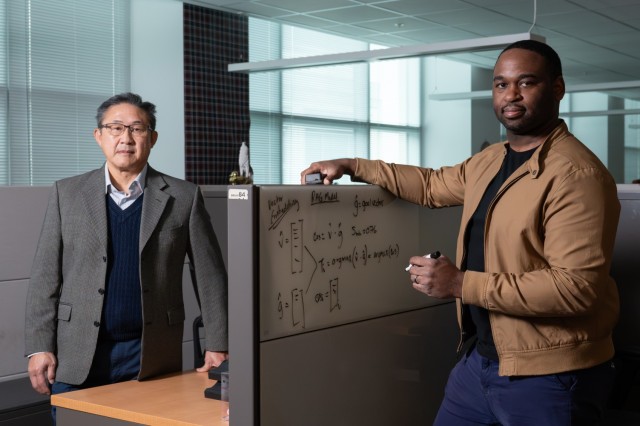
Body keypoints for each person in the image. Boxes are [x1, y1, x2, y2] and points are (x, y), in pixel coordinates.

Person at [301, 40, 621, 425]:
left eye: (526, 82)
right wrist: (353, 165)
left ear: (557, 89)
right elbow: (432, 185)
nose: (511, 95)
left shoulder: (577, 175)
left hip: (549, 374)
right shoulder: (491, 160)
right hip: (482, 362)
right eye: (501, 84)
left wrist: (459, 284)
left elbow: (575, 289)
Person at [25, 93, 228, 403]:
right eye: (115, 128)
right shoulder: (67, 193)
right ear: (99, 136)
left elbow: (209, 274)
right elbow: (44, 275)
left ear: (153, 137)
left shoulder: (183, 196)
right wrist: (40, 346)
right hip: (78, 351)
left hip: (150, 352)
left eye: (137, 128)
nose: (126, 138)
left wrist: (218, 341)